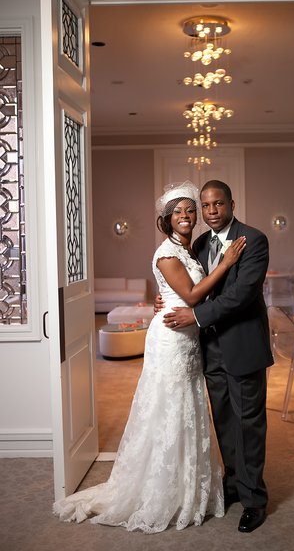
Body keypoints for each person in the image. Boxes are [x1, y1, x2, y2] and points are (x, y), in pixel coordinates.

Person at [53, 180, 246, 534]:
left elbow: (178, 291)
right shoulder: (167, 252)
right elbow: (191, 295)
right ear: (167, 219)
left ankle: (189, 486)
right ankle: (163, 490)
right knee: (167, 409)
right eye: (179, 212)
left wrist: (162, 297)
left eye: (191, 210)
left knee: (187, 409)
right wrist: (226, 262)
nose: (186, 216)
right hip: (171, 339)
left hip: (191, 339)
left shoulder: (191, 249)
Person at [161, 180, 273, 534]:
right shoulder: (199, 244)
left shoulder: (253, 240)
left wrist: (195, 316)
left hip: (243, 345)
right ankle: (234, 483)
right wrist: (168, 299)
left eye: (218, 204)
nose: (211, 211)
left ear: (231, 204)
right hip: (210, 348)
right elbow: (193, 289)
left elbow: (241, 294)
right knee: (224, 420)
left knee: (248, 423)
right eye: (206, 206)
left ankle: (254, 499)